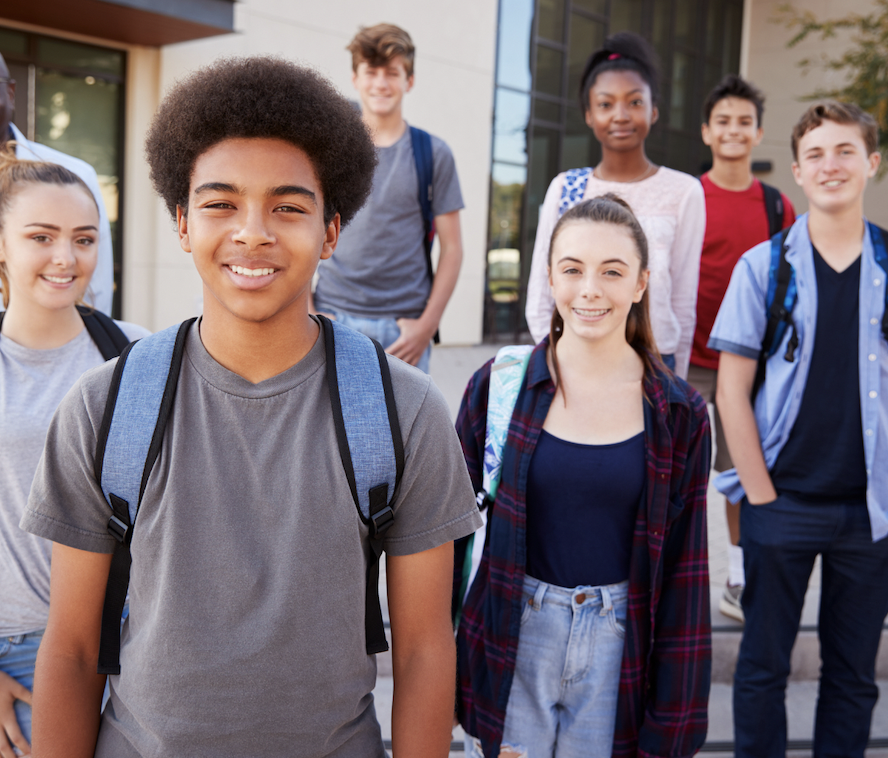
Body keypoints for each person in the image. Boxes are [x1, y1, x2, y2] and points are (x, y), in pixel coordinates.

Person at [20, 57, 482, 757]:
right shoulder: (106, 407)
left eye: (289, 207)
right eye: (220, 203)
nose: (253, 232)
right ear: (181, 222)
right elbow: (73, 647)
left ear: (330, 231)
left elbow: (422, 649)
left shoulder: (401, 412)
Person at [455, 194, 712, 758]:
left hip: (619, 646)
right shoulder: (500, 387)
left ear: (642, 282)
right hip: (512, 636)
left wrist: (673, 717)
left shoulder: (679, 413)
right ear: (548, 277)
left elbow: (686, 573)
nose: (590, 289)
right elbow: (448, 540)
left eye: (612, 272)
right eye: (572, 269)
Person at [710, 101, 887, 758]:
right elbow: (730, 389)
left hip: (870, 514)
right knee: (761, 671)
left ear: (871, 163)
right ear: (797, 172)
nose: (830, 165)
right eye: (816, 154)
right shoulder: (764, 268)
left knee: (852, 678)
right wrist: (758, 494)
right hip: (780, 503)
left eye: (845, 151)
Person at [0, 150, 148, 757]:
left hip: (129, 642)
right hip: (18, 650)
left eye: (83, 239)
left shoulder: (137, 353)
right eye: (42, 237)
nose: (66, 257)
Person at [524, 32, 705, 379]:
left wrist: (676, 378)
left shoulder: (685, 192)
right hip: (575, 359)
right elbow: (540, 293)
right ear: (589, 114)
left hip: (656, 361)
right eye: (606, 104)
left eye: (634, 102)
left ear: (653, 110)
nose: (620, 115)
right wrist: (553, 362)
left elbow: (683, 301)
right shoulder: (567, 188)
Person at [691, 74, 795, 623]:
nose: (733, 130)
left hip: (748, 363)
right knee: (675, 473)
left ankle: (737, 579)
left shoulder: (777, 206)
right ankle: (672, 579)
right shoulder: (690, 196)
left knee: (740, 473)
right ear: (707, 131)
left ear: (758, 134)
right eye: (723, 121)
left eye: (744, 122)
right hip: (688, 357)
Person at [311, 23, 464, 373]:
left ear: (409, 81)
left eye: (392, 73)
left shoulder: (433, 154)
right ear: (355, 78)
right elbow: (306, 226)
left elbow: (453, 249)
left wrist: (427, 326)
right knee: (330, 428)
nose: (381, 83)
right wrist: (309, 309)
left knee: (401, 429)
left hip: (404, 329)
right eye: (372, 72)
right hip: (333, 317)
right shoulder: (331, 152)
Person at [0, 53, 115, 316]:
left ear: (10, 92)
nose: (64, 258)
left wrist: (97, 347)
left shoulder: (73, 174)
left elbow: (95, 288)